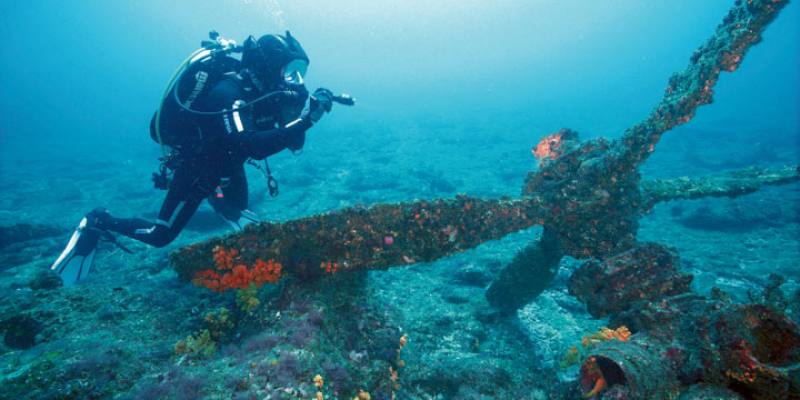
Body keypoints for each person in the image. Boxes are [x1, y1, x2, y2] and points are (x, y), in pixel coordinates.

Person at [51, 31, 342, 285]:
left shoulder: (270, 93)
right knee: (159, 235)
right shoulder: (229, 93)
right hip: (198, 165)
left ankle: (217, 198)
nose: (295, 80)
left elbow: (294, 143)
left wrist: (305, 108)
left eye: (299, 71)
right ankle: (98, 220)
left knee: (236, 208)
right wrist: (307, 120)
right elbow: (252, 145)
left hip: (228, 162)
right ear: (268, 67)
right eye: (290, 70)